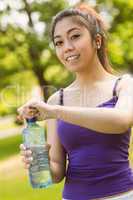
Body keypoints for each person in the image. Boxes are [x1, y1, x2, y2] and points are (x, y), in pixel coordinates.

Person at [18, 3, 133, 200]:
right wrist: (41, 160)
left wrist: (56, 112)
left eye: (75, 36)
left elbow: (120, 121)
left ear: (97, 40)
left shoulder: (123, 85)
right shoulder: (57, 100)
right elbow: (57, 172)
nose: (67, 48)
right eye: (59, 42)